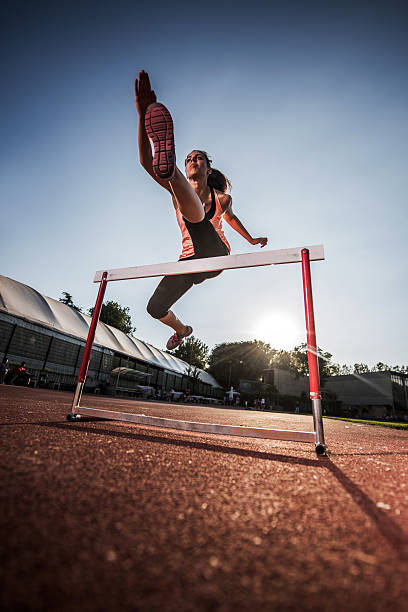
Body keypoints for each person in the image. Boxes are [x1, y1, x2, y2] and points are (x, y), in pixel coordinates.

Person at [135, 70, 268, 350]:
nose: (193, 160)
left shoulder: (222, 198)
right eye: (188, 159)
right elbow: (146, 164)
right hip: (188, 262)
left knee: (197, 220)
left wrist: (251, 239)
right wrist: (142, 115)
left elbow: (231, 220)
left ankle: (169, 171)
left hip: (215, 253)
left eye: (198, 159)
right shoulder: (177, 195)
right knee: (154, 307)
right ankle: (183, 330)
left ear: (208, 169)